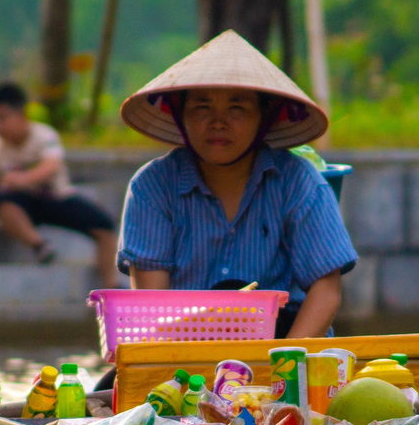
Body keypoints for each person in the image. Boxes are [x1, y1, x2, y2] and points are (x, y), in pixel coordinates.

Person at [94, 30, 358, 390]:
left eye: (237, 108)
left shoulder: (298, 180)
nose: (218, 123)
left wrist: (276, 373)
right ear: (180, 114)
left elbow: (326, 290)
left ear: (263, 118)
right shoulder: (152, 186)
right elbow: (154, 306)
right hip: (184, 355)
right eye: (202, 107)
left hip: (288, 346)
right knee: (106, 396)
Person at [0, 82, 118, 287]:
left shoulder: (44, 135)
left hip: (57, 198)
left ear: (21, 115)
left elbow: (51, 165)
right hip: (24, 206)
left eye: (1, 118)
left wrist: (23, 179)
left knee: (105, 227)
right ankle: (38, 245)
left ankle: (111, 285)